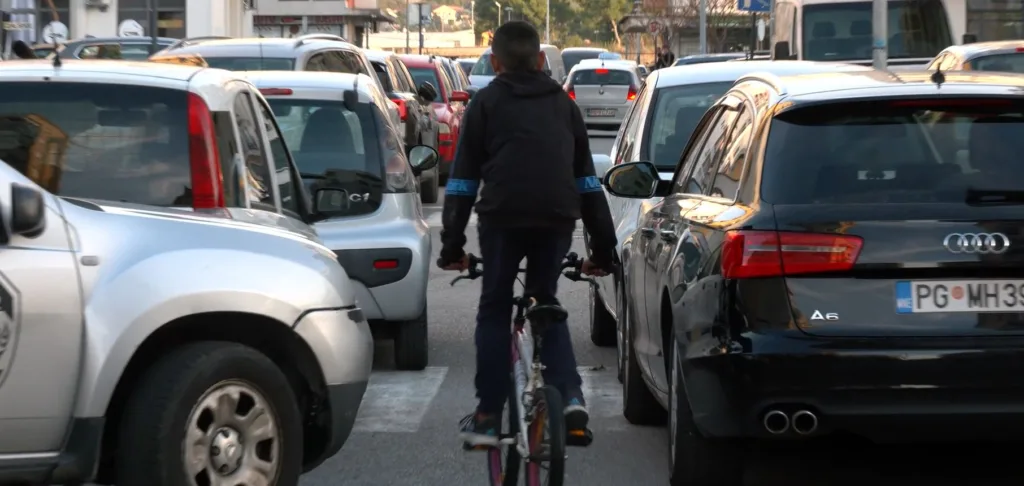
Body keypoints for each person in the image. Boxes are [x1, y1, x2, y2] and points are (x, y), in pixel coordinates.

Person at [436, 20, 618, 448]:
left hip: (502, 218)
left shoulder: (485, 104)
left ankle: (486, 416)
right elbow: (588, 184)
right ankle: (571, 399)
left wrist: (452, 246)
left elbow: (461, 182)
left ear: (495, 62)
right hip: (556, 219)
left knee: (495, 308)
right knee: (546, 301)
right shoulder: (564, 105)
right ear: (540, 60)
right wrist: (602, 251)